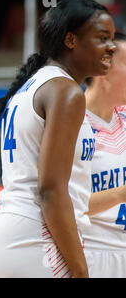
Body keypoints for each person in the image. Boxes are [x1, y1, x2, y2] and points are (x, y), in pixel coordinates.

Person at [0, 0, 117, 278]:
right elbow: (51, 190)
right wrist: (80, 270)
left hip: (7, 232)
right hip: (34, 236)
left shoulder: (35, 84)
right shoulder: (65, 91)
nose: (112, 46)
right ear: (71, 40)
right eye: (102, 38)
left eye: (112, 38)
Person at [83, 32, 126, 278]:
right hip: (92, 255)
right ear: (104, 70)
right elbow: (58, 205)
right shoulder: (70, 123)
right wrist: (120, 194)